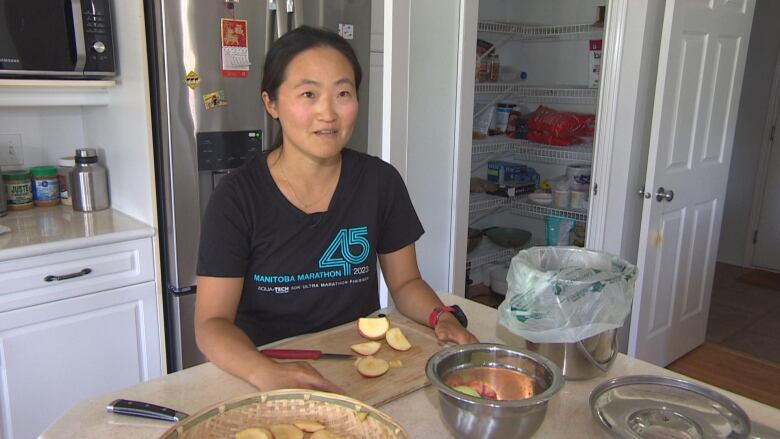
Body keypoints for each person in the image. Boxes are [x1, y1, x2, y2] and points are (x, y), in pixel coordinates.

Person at [194, 25, 477, 393]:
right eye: (308, 94)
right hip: (263, 366)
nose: (328, 113)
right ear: (272, 103)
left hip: (360, 362)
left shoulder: (379, 181)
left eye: (343, 93)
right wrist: (265, 373)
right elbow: (212, 323)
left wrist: (441, 316)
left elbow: (406, 282)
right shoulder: (237, 197)